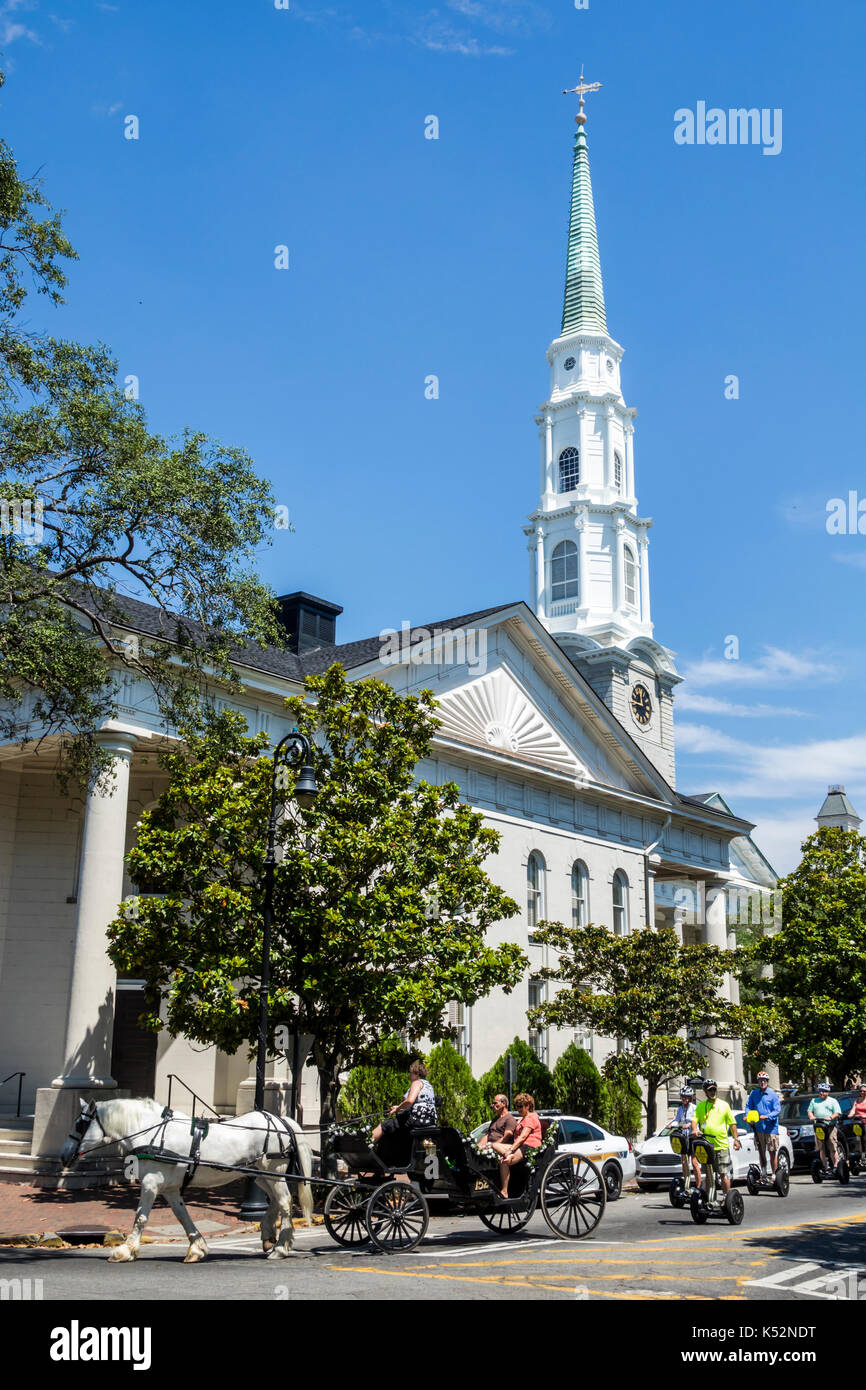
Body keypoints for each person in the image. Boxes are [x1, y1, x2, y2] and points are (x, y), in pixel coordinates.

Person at [371, 1059, 437, 1145]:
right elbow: (417, 1103)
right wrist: (398, 1107)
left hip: (416, 1119)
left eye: (411, 1073)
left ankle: (367, 1144)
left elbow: (409, 1101)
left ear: (417, 1074)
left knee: (384, 1126)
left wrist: (397, 1109)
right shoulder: (428, 1085)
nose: (409, 1075)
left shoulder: (417, 1083)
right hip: (429, 1120)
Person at [694, 1079, 740, 1197]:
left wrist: (736, 1139)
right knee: (709, 1174)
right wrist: (695, 1130)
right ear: (705, 1091)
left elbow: (732, 1124)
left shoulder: (724, 1105)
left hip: (721, 1146)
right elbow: (694, 1120)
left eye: (714, 1089)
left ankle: (726, 1198)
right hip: (706, 1146)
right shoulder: (700, 1106)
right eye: (710, 1090)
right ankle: (709, 1198)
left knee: (723, 1173)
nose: (712, 1092)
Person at [498, 1093, 542, 1199]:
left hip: (529, 1147)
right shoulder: (521, 1119)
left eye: (521, 1106)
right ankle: (506, 1189)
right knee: (495, 1146)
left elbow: (523, 1137)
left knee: (505, 1161)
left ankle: (504, 1191)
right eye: (517, 1106)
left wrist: (511, 1150)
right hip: (520, 1146)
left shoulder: (531, 1118)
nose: (518, 1109)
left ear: (528, 1106)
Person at [746, 1070, 781, 1177]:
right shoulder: (754, 1093)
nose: (762, 1082)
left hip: (770, 1128)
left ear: (767, 1081)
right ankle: (764, 1172)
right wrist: (747, 1115)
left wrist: (767, 1116)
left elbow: (777, 1110)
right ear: (758, 1082)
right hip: (759, 1128)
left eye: (764, 1080)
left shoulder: (773, 1095)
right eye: (760, 1080)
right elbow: (748, 1106)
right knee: (761, 1152)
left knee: (772, 1152)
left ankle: (774, 1174)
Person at [808, 1083, 842, 1170]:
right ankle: (825, 1167)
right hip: (819, 1127)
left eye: (823, 1091)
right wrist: (811, 1116)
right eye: (820, 1091)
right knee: (821, 1148)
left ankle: (836, 1166)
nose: (821, 1093)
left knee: (832, 1147)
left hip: (830, 1127)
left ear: (828, 1092)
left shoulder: (833, 1101)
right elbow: (810, 1111)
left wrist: (831, 1117)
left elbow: (837, 1113)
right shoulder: (814, 1101)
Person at [673, 1086, 701, 1189]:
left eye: (686, 1097)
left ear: (690, 1097)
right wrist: (672, 1125)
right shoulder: (680, 1109)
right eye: (682, 1097)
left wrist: (689, 1125)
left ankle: (698, 1186)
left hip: (692, 1137)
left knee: (694, 1163)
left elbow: (696, 1121)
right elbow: (677, 1120)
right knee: (684, 1163)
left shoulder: (694, 1108)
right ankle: (687, 1185)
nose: (684, 1099)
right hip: (683, 1138)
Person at [846, 1084, 866, 1162]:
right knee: (859, 1139)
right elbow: (853, 1109)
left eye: (864, 1091)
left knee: (865, 1139)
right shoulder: (857, 1100)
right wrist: (850, 1115)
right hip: (858, 1123)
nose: (862, 1092)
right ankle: (862, 1157)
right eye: (861, 1091)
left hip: (865, 1122)